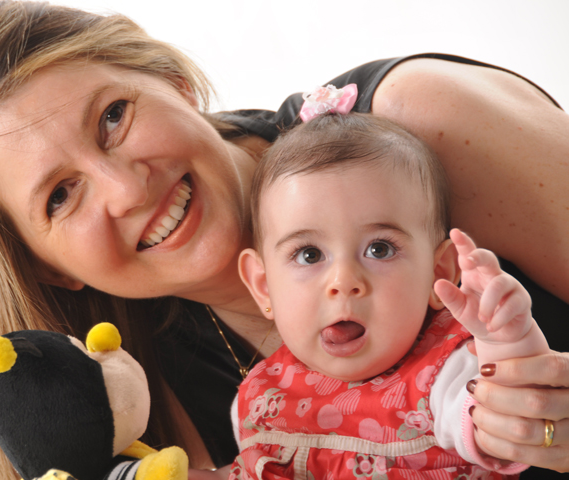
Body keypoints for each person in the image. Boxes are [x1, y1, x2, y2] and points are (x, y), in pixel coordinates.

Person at [0, 1, 569, 479]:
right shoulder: (141, 384)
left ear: (173, 81)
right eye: (61, 196)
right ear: (49, 270)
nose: (127, 189)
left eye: (113, 118)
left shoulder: (416, 121)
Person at [232, 108, 550, 479]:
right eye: (310, 255)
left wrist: (506, 338)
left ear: (438, 273)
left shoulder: (445, 376)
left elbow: (511, 420)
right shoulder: (258, 396)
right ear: (263, 285)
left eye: (379, 249)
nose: (344, 281)